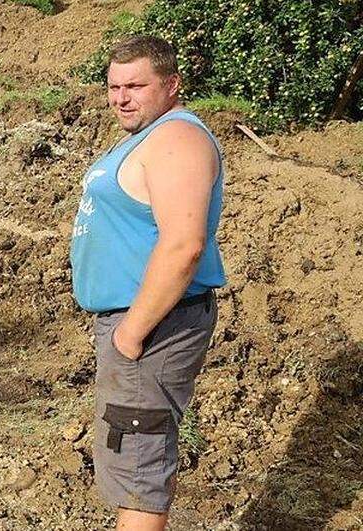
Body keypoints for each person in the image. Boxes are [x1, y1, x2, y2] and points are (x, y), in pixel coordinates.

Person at [70, 36, 226, 530]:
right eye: (114, 86)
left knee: (139, 466)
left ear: (172, 84)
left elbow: (184, 245)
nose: (121, 97)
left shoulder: (178, 139)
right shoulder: (149, 136)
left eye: (136, 85)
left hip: (153, 327)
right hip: (137, 323)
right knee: (130, 460)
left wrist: (131, 333)